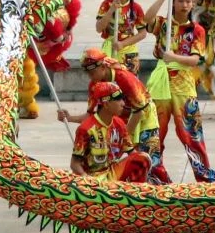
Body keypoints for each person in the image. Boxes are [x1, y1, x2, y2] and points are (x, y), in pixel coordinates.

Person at [145, 0, 215, 183]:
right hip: (160, 83)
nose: (185, 4)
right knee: (154, 133)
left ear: (192, 3)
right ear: (174, 2)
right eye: (180, 0)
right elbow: (146, 19)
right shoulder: (163, 24)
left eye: (188, 1)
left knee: (191, 133)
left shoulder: (197, 30)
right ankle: (155, 175)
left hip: (184, 85)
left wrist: (173, 57)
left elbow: (196, 59)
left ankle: (204, 177)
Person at [60, 47, 156, 184]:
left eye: (93, 72)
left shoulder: (125, 79)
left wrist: (121, 136)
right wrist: (69, 118)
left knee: (149, 160)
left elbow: (139, 111)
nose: (91, 77)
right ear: (105, 104)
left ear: (104, 67)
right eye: (88, 74)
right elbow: (91, 116)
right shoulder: (95, 88)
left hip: (144, 116)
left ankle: (144, 193)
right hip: (94, 179)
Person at [69, 82, 134, 179]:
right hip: (94, 179)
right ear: (106, 104)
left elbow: (132, 154)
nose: (123, 104)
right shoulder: (85, 129)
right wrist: (86, 178)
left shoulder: (120, 124)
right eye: (118, 100)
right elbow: (74, 164)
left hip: (114, 174)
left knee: (143, 158)